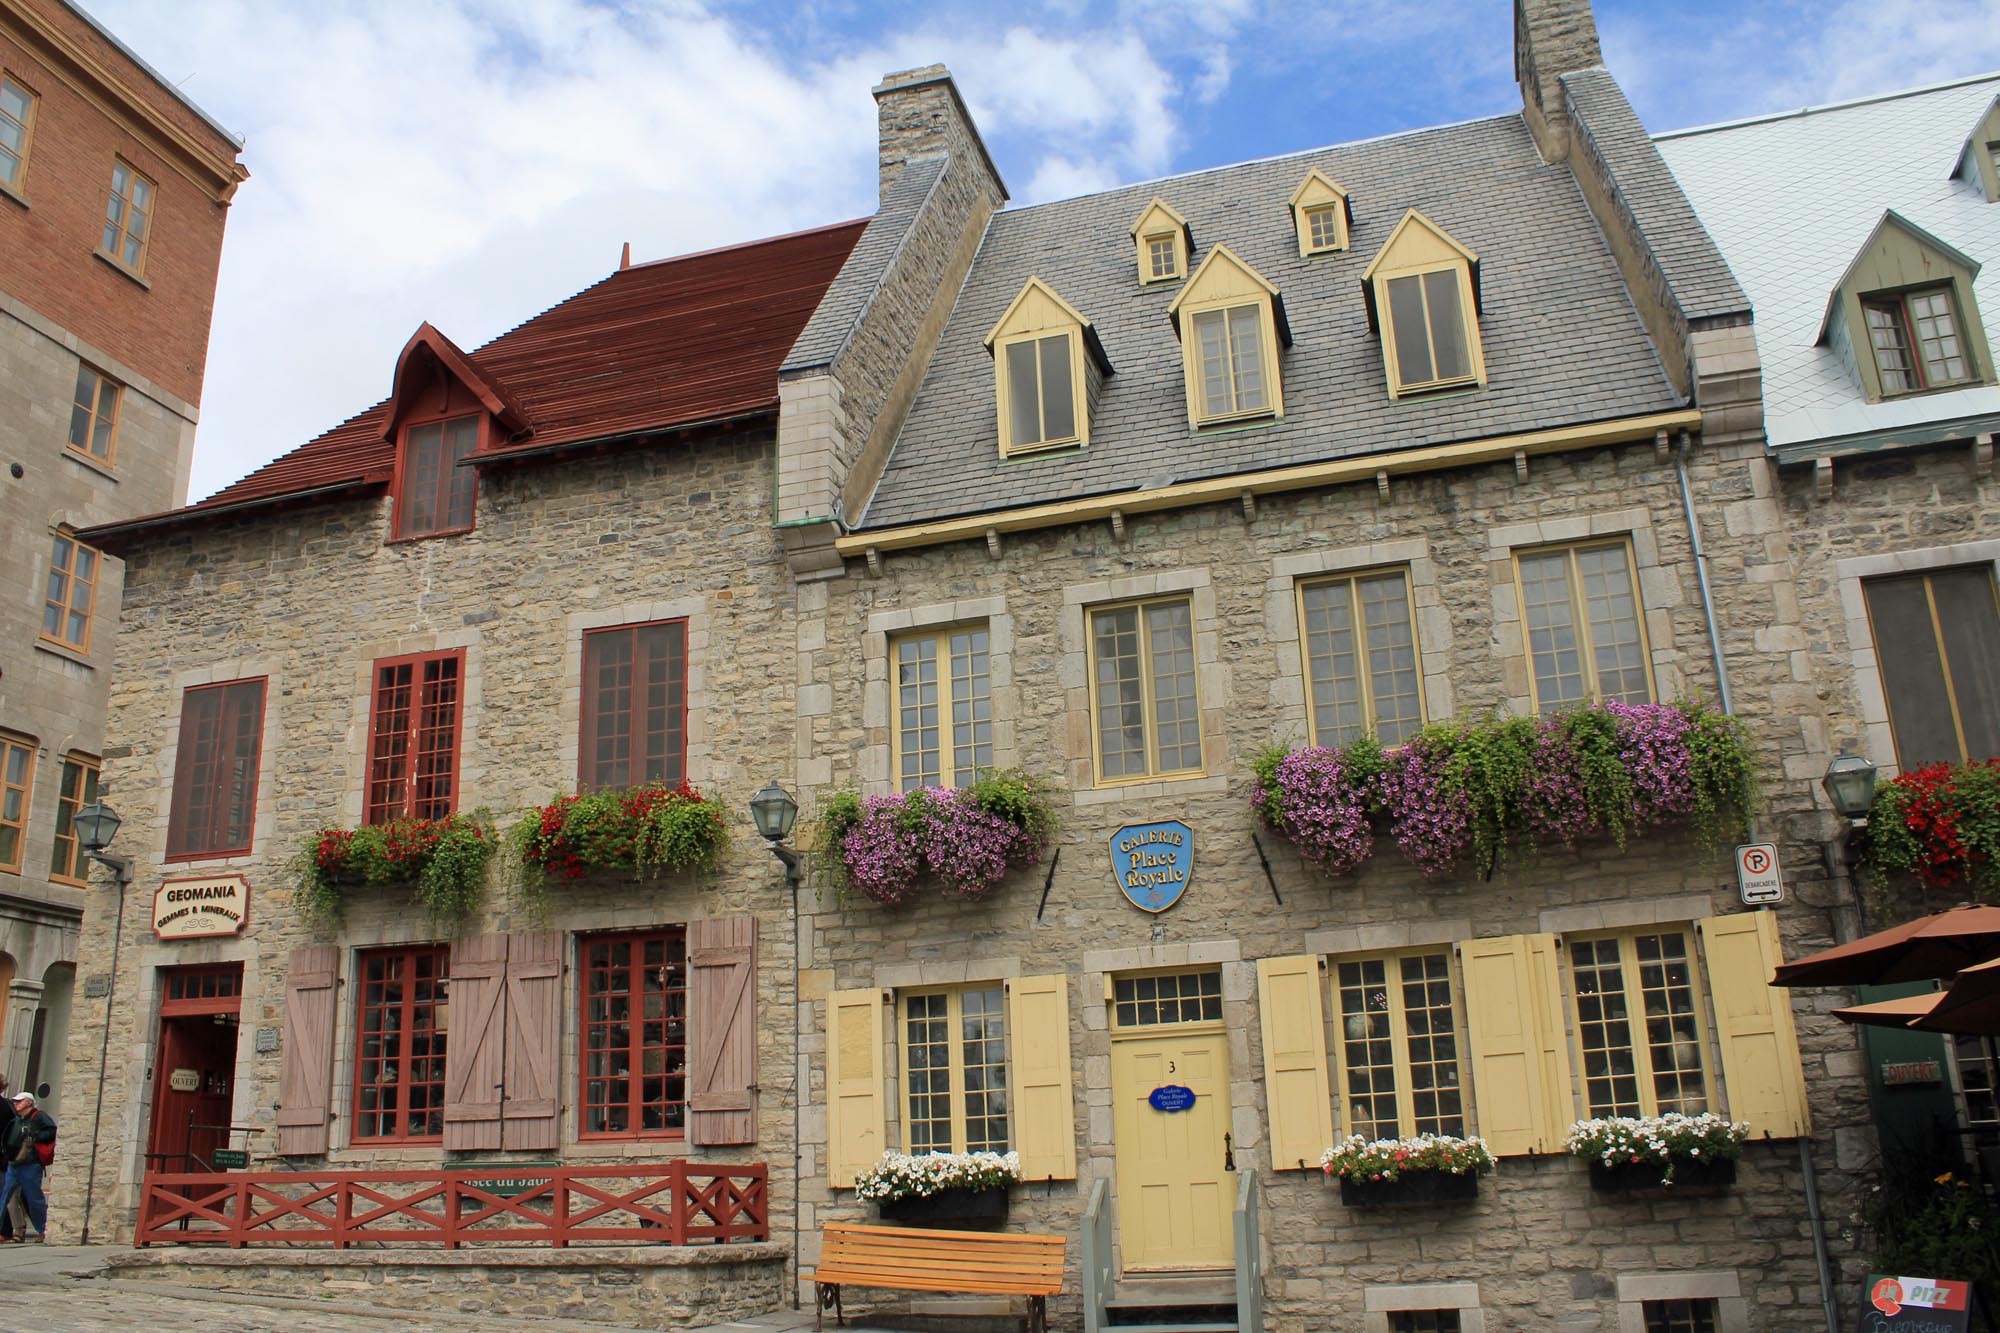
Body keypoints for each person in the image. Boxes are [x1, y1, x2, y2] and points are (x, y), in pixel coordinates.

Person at [2, 1091, 55, 1242]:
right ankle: (17, 1230)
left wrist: (35, 1136)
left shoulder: (39, 1116)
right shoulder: (17, 1119)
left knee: (34, 1198)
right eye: (15, 1101)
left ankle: (43, 1229)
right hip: (14, 1163)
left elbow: (51, 1132)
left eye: (19, 1101)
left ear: (29, 1103)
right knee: (7, 1198)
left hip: (30, 1163)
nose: (16, 1103)